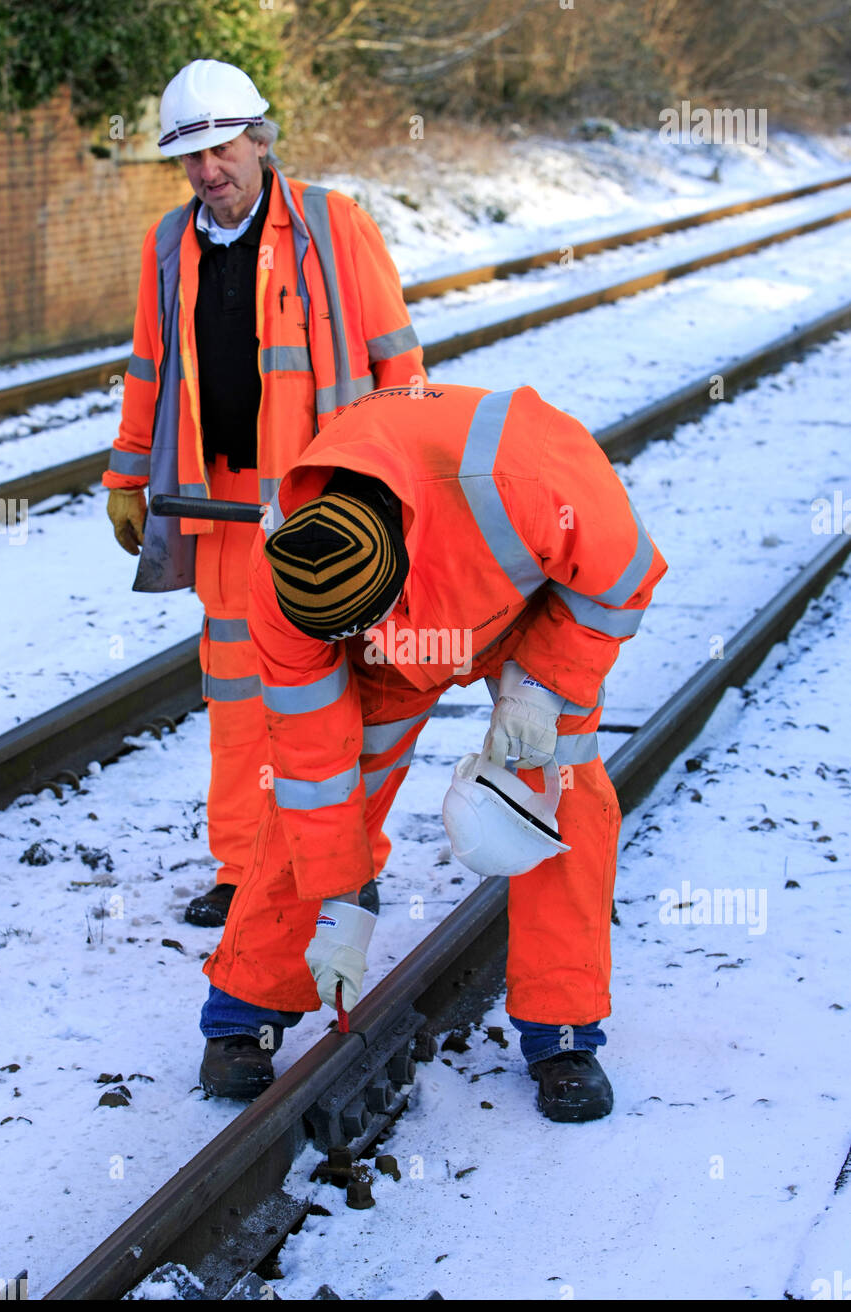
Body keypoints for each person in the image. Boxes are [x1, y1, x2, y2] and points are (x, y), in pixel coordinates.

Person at [198, 381, 667, 1122]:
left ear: (401, 567)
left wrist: (544, 688)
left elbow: (624, 578)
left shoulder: (532, 477)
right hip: (390, 658)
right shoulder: (283, 579)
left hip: (529, 623)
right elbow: (313, 766)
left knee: (562, 800)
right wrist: (340, 901)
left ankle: (564, 1030)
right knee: (321, 798)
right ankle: (242, 1007)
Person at [103, 59, 425, 926]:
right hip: (222, 509)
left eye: (222, 151)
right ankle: (244, 869)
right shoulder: (169, 244)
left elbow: (399, 363)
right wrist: (128, 476)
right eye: (192, 160)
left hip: (330, 508)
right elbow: (148, 369)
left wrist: (396, 489)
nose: (210, 173)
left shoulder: (333, 225)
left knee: (342, 689)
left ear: (259, 139)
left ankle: (347, 865)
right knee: (240, 701)